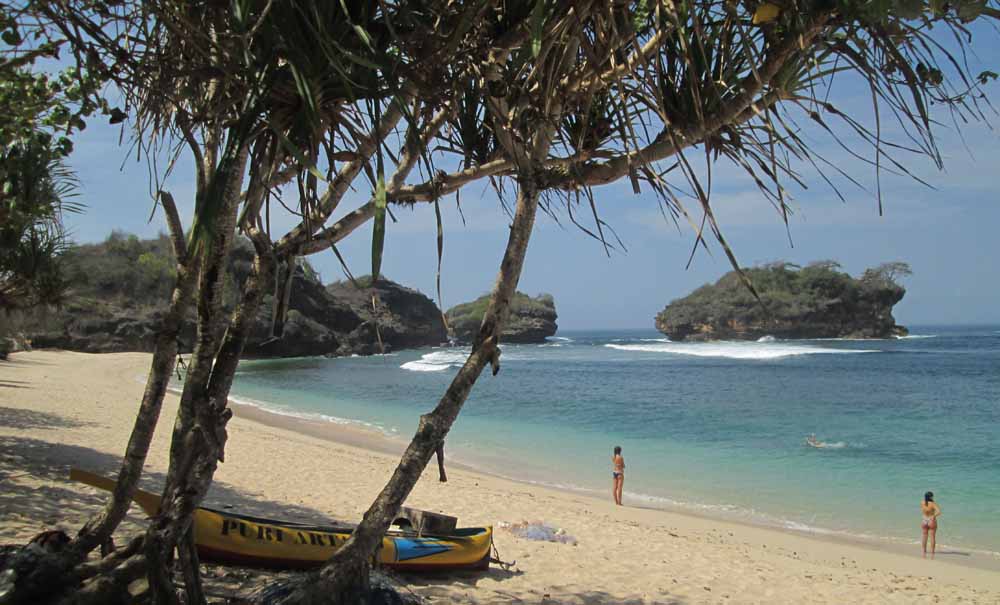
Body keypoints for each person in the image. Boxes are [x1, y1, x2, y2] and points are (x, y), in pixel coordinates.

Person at [921, 491, 942, 558]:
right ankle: (932, 553)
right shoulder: (933, 504)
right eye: (932, 496)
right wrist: (934, 516)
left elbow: (925, 510)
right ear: (931, 497)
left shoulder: (922, 502)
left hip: (924, 519)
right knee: (932, 537)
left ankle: (924, 551)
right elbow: (939, 512)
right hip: (931, 519)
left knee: (924, 536)